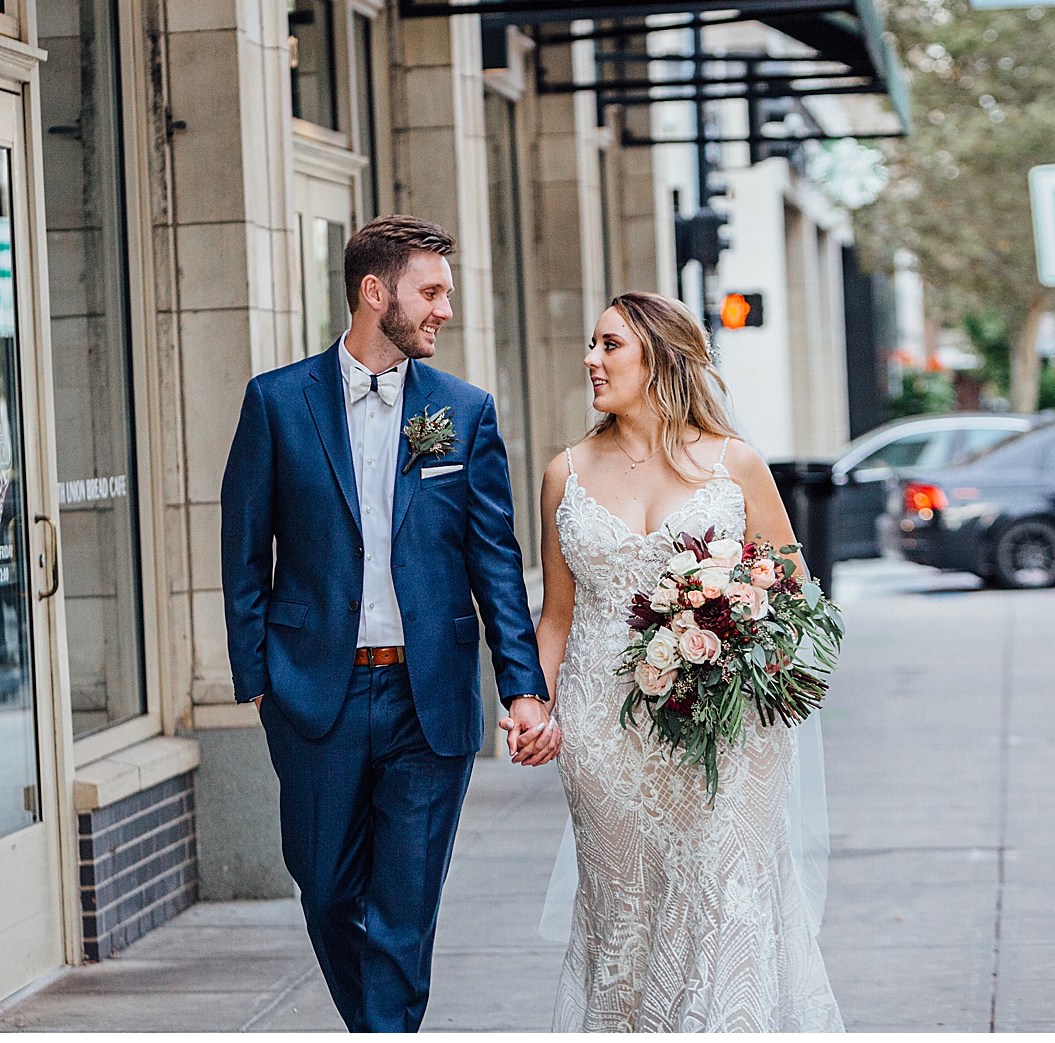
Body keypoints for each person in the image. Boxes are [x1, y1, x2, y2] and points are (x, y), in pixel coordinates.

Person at [220, 214, 558, 1033]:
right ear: (376, 293)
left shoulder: (464, 412)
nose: (445, 308)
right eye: (431, 291)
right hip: (313, 697)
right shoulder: (277, 402)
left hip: (426, 699)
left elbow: (495, 564)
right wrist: (259, 681)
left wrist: (523, 687)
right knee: (329, 891)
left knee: (404, 914)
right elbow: (241, 555)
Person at [533, 292, 843, 1031]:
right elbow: (557, 614)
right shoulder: (563, 474)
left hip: (726, 728)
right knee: (625, 919)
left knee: (723, 902)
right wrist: (533, 704)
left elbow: (794, 589)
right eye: (592, 344)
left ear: (660, 358)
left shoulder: (735, 464)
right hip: (605, 737)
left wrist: (737, 637)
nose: (591, 360)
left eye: (609, 346)